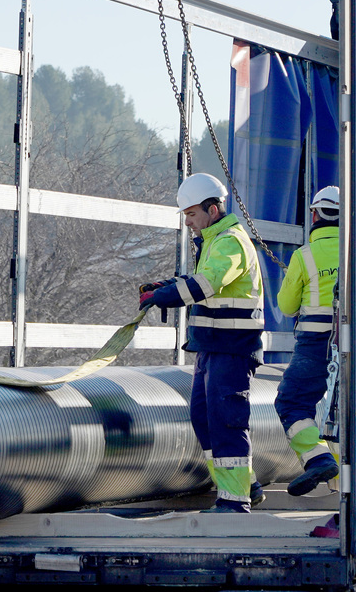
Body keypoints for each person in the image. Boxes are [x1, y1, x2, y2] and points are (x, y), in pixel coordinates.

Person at [139, 173, 264, 514]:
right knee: (204, 418)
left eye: (191, 215)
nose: (189, 224)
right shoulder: (213, 241)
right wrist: (165, 286)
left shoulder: (230, 242)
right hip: (213, 347)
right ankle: (242, 485)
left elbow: (206, 284)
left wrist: (165, 295)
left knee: (226, 420)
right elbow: (201, 280)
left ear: (212, 209)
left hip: (232, 349)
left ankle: (235, 502)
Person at [274, 186, 341, 496]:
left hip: (315, 344)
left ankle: (318, 458)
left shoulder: (304, 256)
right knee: (351, 411)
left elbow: (286, 307)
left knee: (292, 402)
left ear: (314, 215)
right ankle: (345, 490)